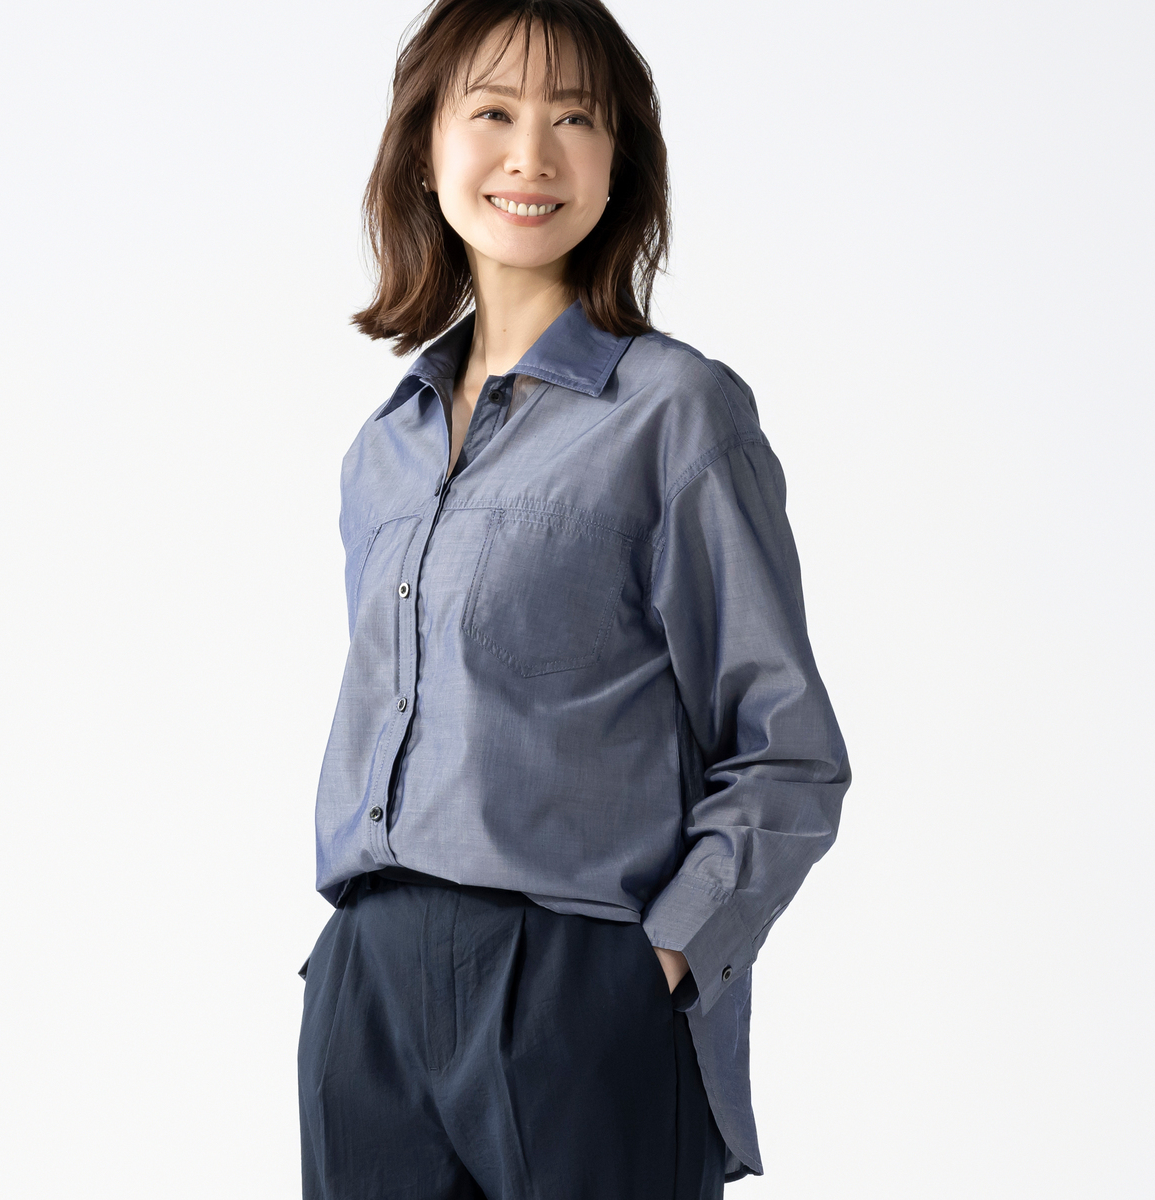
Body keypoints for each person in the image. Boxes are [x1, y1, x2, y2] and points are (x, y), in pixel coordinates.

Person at [297, 2, 851, 1197]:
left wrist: (658, 962)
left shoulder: (675, 414)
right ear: (426, 148)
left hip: (573, 982)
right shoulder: (383, 450)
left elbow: (786, 749)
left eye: (576, 119)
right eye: (493, 112)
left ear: (619, 162)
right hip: (367, 992)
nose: (532, 155)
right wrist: (350, 973)